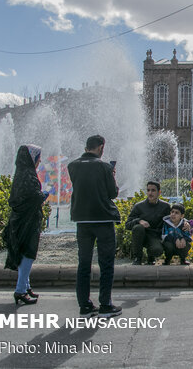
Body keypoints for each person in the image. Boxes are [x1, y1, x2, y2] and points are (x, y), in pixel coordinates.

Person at [68, 135, 122, 318]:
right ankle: (105, 304)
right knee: (106, 263)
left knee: (83, 263)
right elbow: (112, 193)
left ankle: (84, 306)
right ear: (101, 147)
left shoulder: (73, 166)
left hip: (82, 221)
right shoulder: (104, 167)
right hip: (102, 219)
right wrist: (112, 176)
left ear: (86, 147)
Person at [3, 145, 49, 305]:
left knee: (24, 253)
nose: (40, 160)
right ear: (31, 158)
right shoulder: (28, 176)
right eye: (38, 157)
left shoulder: (22, 173)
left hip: (22, 220)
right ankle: (20, 290)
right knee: (28, 254)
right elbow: (33, 197)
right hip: (27, 222)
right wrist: (43, 195)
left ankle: (26, 286)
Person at [126, 181, 171, 265]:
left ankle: (151, 257)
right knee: (138, 228)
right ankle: (137, 258)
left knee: (157, 250)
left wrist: (186, 223)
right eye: (148, 190)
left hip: (155, 237)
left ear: (159, 192)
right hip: (142, 236)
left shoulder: (165, 206)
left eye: (153, 190)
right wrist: (139, 221)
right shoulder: (139, 206)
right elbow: (127, 225)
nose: (150, 193)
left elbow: (174, 219)